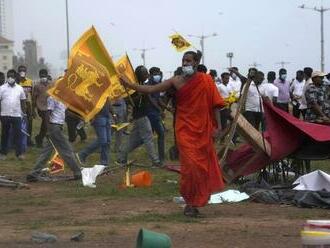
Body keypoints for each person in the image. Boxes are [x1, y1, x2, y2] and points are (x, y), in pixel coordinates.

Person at [119, 51, 225, 217]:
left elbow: (216, 105)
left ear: (196, 62)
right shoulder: (176, 80)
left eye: (188, 60)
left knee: (201, 168)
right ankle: (190, 203)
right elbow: (151, 88)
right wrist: (129, 85)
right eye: (183, 60)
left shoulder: (206, 80)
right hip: (184, 129)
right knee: (190, 167)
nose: (185, 63)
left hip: (203, 130)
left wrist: (218, 127)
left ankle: (195, 205)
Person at [26, 96, 82, 182]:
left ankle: (34, 173)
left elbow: (64, 112)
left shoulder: (63, 99)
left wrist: (79, 117)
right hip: (54, 127)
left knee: (46, 152)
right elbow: (47, 113)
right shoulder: (52, 98)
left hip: (57, 127)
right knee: (66, 149)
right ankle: (77, 172)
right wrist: (48, 129)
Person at [117, 66, 161, 167]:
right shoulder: (133, 87)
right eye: (145, 73)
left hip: (142, 116)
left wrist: (158, 108)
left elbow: (149, 97)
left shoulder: (142, 85)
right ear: (139, 75)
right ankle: (155, 161)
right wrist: (139, 95)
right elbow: (129, 101)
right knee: (148, 137)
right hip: (140, 116)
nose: (147, 75)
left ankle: (121, 156)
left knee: (136, 140)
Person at [0, 69, 26, 160]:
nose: (10, 78)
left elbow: (23, 101)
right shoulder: (2, 88)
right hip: (4, 114)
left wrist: (24, 112)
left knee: (18, 134)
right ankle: (3, 153)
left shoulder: (20, 88)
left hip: (17, 115)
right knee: (4, 134)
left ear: (15, 77)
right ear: (7, 77)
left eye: (12, 76)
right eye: (9, 76)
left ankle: (19, 154)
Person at [77, 99, 112, 166]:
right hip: (98, 117)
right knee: (102, 140)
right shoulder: (95, 91)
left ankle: (104, 162)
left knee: (108, 141)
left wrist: (113, 114)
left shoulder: (106, 91)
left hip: (107, 116)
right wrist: (92, 117)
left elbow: (108, 102)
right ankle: (82, 154)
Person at [146, 67, 166, 163]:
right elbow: (151, 99)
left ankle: (157, 156)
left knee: (150, 135)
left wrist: (167, 108)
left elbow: (158, 99)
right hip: (150, 113)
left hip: (155, 113)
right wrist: (160, 110)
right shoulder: (148, 85)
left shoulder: (156, 84)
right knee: (160, 134)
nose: (158, 75)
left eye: (158, 73)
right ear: (151, 74)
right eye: (155, 73)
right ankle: (160, 158)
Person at [33, 69, 52, 147]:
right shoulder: (37, 86)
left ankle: (39, 138)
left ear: (47, 76)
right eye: (41, 76)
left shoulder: (51, 85)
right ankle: (49, 138)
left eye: (44, 76)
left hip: (49, 107)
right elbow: (34, 97)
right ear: (39, 76)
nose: (43, 77)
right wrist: (33, 110)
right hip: (40, 107)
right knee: (46, 122)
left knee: (45, 124)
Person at [17, 65, 34, 146]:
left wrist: (33, 109)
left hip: (28, 105)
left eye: (23, 70)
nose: (22, 72)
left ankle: (28, 139)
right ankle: (18, 140)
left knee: (30, 123)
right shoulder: (16, 82)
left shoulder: (30, 82)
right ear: (18, 72)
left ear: (26, 72)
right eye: (20, 70)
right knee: (19, 124)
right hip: (18, 106)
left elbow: (32, 95)